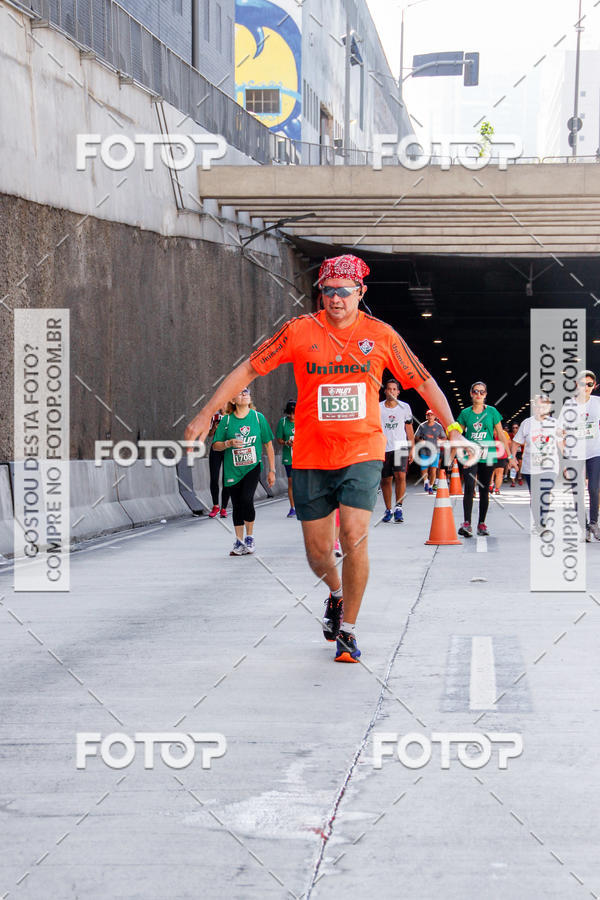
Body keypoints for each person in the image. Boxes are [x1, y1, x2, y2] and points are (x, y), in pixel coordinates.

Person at [185, 254, 472, 663]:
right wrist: (205, 413)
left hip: (362, 450)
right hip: (310, 455)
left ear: (360, 292)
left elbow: (424, 382)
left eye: (343, 291)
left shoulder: (381, 335)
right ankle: (335, 595)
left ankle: (349, 630)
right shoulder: (299, 331)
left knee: (353, 536)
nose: (335, 298)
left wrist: (454, 429)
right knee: (319, 553)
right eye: (327, 290)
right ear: (320, 292)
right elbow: (247, 370)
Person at [211, 387, 275, 555]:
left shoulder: (258, 418)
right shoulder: (226, 421)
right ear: (233, 400)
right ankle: (239, 542)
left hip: (252, 467)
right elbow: (215, 445)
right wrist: (228, 444)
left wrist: (272, 470)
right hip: (232, 469)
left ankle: (250, 537)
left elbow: (268, 444)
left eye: (247, 392)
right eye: (240, 392)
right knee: (237, 503)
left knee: (247, 499)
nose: (245, 394)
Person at [456, 381, 513, 537]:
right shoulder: (465, 413)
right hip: (470, 456)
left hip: (488, 456)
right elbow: (457, 433)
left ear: (486, 394)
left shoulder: (492, 412)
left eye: (482, 392)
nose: (478, 394)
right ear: (471, 393)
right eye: (475, 391)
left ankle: (481, 523)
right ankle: (467, 523)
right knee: (468, 487)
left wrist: (510, 455)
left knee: (484, 490)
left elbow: (501, 434)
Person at [558, 370, 600, 541]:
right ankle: (583, 527)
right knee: (577, 491)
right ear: (577, 385)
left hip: (594, 452)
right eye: (583, 384)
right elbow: (560, 433)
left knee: (594, 488)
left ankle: (594, 523)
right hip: (575, 454)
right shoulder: (569, 405)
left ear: (594, 386)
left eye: (590, 384)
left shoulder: (598, 402)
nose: (587, 387)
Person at [511, 395, 560, 531]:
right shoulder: (527, 423)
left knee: (545, 492)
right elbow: (516, 442)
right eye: (538, 406)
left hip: (550, 465)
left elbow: (562, 444)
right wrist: (512, 458)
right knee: (535, 495)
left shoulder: (555, 423)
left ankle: (542, 521)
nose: (541, 408)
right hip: (530, 467)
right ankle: (538, 522)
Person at [379, 379, 414, 522]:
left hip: (400, 446)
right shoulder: (378, 407)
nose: (392, 391)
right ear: (385, 391)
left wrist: (411, 448)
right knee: (386, 480)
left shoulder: (404, 407)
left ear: (398, 392)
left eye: (394, 389)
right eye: (389, 389)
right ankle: (388, 510)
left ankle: (399, 507)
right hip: (384, 447)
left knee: (401, 477)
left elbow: (409, 429)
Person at [414, 409, 445, 494]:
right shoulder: (422, 426)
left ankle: (431, 487)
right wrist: (420, 441)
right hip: (424, 450)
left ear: (435, 417)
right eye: (428, 415)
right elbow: (416, 437)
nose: (430, 416)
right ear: (426, 416)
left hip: (435, 451)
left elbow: (444, 437)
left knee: (433, 470)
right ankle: (426, 482)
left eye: (432, 415)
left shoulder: (439, 426)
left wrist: (440, 440)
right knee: (424, 468)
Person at [207, 410, 231, 518]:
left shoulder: (233, 415)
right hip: (216, 449)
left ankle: (224, 508)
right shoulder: (215, 415)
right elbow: (209, 434)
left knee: (226, 479)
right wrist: (214, 428)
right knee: (214, 478)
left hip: (228, 450)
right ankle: (215, 505)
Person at [276, 400, 296, 517]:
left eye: (294, 413)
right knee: (291, 481)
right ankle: (292, 507)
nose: (292, 416)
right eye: (290, 414)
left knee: (303, 482)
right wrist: (286, 442)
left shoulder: (304, 421)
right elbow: (279, 439)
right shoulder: (282, 422)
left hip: (303, 456)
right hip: (289, 456)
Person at [490, 424, 511, 495]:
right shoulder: (504, 433)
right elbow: (509, 443)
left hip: (491, 455)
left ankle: (491, 485)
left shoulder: (488, 432)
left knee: (490, 472)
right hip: (501, 455)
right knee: (499, 473)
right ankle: (497, 489)